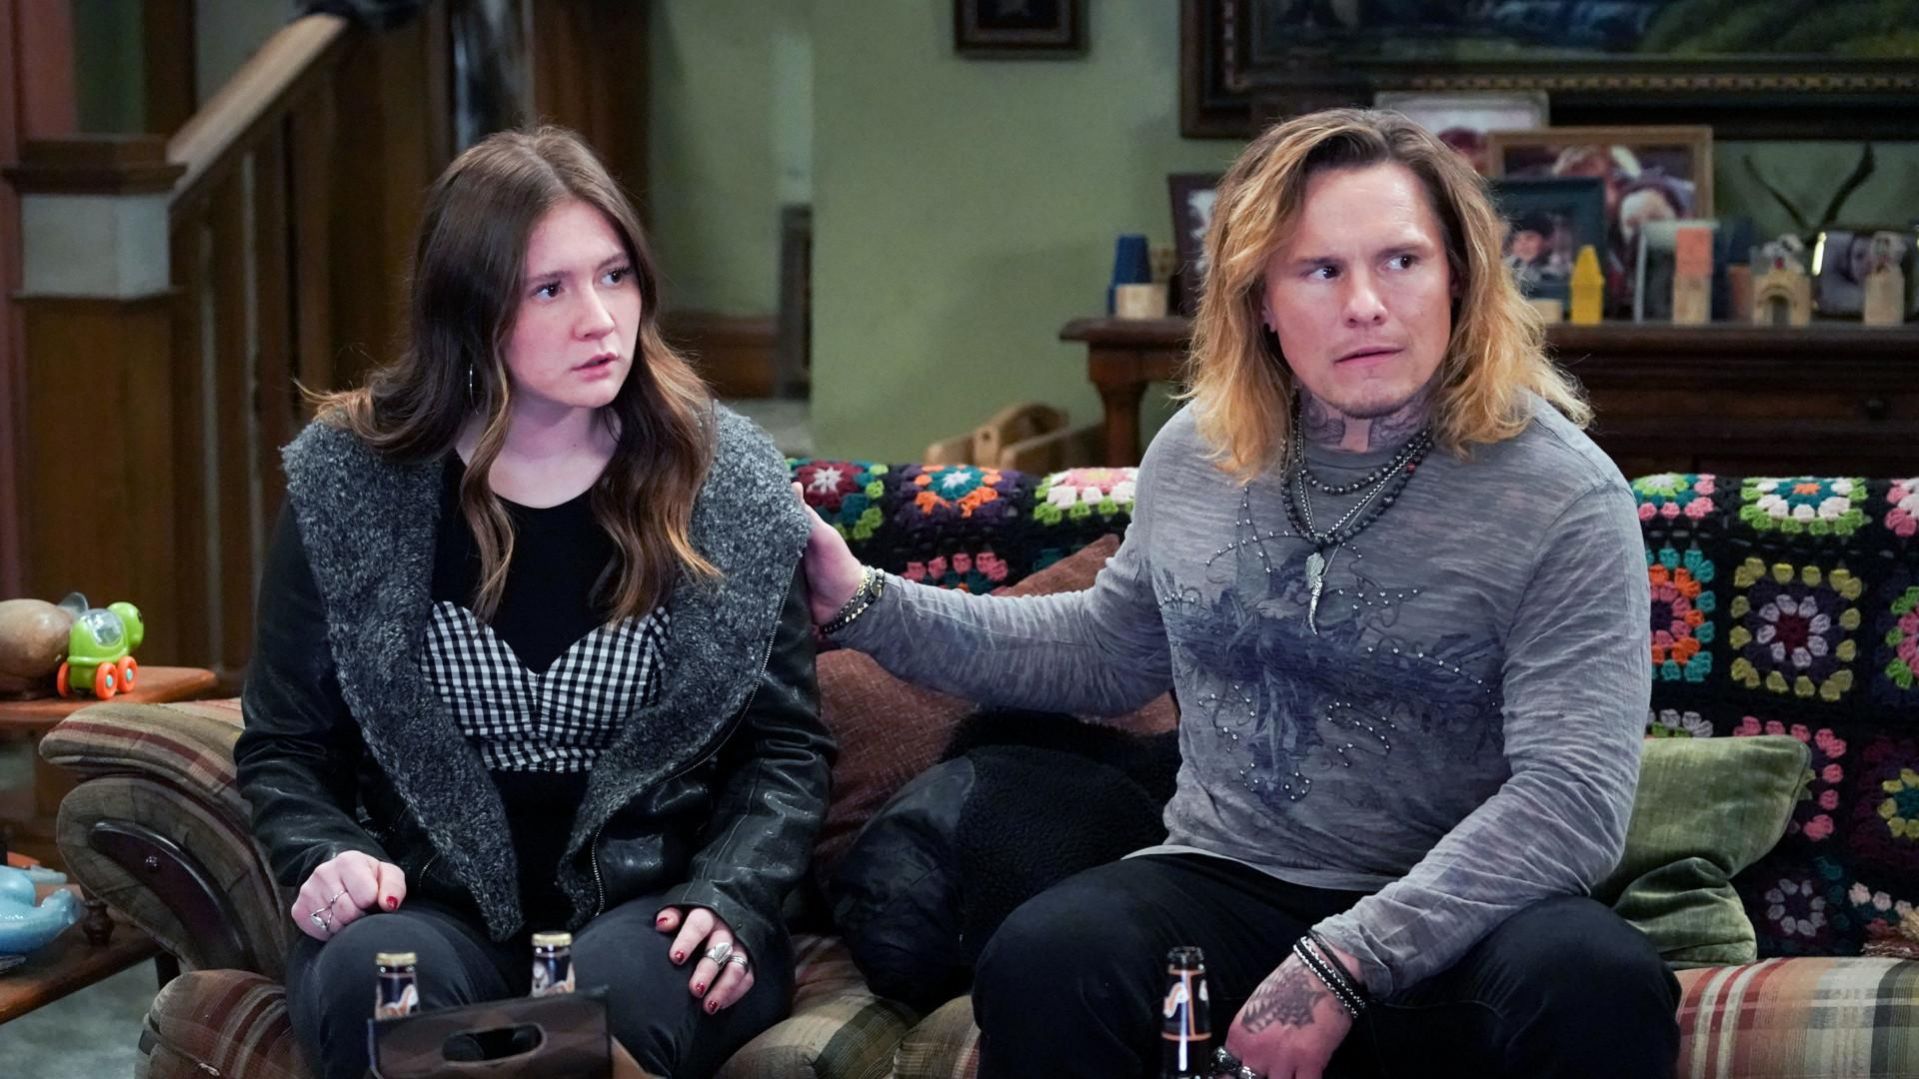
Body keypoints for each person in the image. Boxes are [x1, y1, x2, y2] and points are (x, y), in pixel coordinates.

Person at [797, 108, 1673, 1078]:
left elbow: (1571, 799)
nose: (1366, 304)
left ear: (1458, 278)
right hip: (1229, 879)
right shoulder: (1198, 452)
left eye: (1401, 261)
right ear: (1257, 297)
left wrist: (1342, 963)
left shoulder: (1563, 495)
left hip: (1464, 907)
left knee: (1598, 981)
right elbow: (1102, 648)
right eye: (1319, 270)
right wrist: (862, 601)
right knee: (1046, 958)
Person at [235, 126, 830, 1079]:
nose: (599, 320)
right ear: (467, 309)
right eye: (549, 289)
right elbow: (286, 745)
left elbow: (784, 748)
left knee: (594, 1006)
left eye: (615, 276)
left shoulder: (730, 477)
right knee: (377, 980)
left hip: (657, 902)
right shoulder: (350, 479)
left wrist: (734, 893)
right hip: (427, 904)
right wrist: (324, 854)